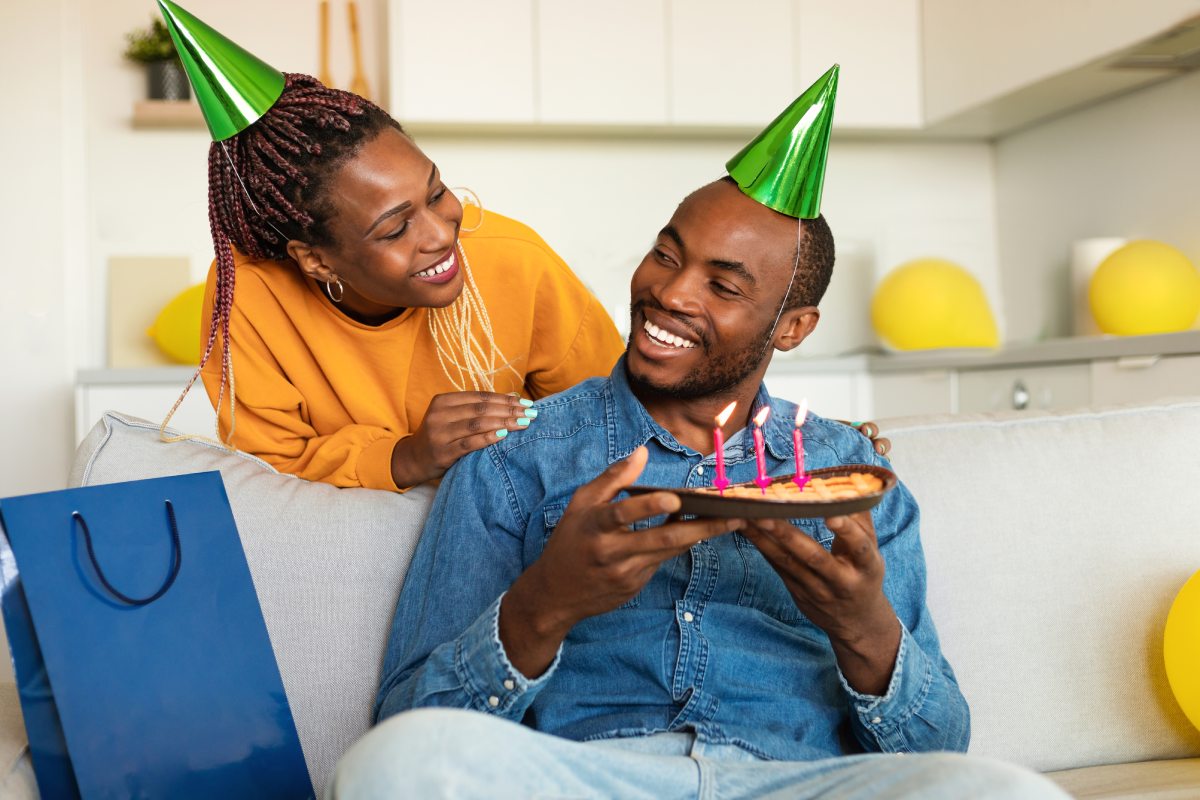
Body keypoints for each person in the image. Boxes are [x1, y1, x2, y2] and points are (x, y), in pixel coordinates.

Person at [331, 68, 1070, 799]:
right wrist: (545, 602)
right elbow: (408, 722)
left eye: (722, 285)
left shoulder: (855, 480)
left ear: (792, 329)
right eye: (667, 253)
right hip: (589, 778)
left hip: (794, 780)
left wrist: (864, 628)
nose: (670, 292)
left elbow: (939, 746)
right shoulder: (513, 458)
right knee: (392, 766)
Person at [157, 1, 625, 491]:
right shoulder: (250, 294)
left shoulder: (516, 261)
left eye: (437, 192)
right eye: (396, 229)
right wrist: (406, 456)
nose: (443, 235)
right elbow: (267, 465)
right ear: (316, 260)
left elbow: (613, 422)